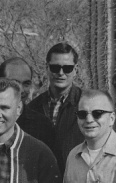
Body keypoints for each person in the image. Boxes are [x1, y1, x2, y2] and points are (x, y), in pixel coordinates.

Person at [26, 43, 85, 172]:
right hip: (40, 182)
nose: (61, 73)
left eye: (67, 68)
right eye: (55, 67)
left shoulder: (86, 105)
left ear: (76, 70)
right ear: (47, 68)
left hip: (76, 182)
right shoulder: (32, 108)